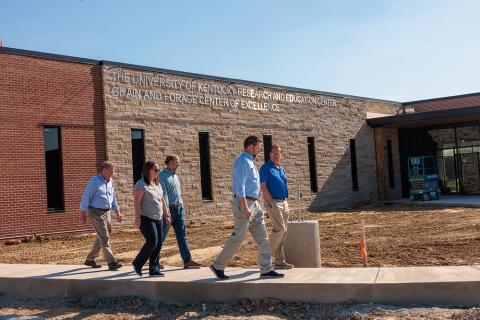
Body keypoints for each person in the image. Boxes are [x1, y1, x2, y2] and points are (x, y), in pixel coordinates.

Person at [210, 136, 284, 280]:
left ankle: (266, 269)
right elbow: (240, 186)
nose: (259, 150)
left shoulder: (250, 161)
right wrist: (245, 207)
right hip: (245, 204)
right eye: (258, 147)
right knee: (238, 236)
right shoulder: (243, 161)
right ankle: (218, 265)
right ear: (250, 147)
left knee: (263, 237)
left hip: (254, 204)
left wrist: (255, 205)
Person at [159, 155, 202, 269]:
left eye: (178, 162)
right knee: (161, 236)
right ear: (168, 163)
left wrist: (182, 206)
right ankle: (154, 260)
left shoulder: (175, 176)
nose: (178, 164)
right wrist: (166, 212)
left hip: (179, 209)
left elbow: (177, 193)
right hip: (169, 210)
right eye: (175, 162)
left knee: (182, 236)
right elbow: (163, 195)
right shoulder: (162, 176)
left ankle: (187, 260)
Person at [80, 161, 123, 271]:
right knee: (104, 236)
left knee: (103, 235)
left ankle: (90, 259)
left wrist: (117, 212)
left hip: (106, 212)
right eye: (112, 170)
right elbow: (86, 197)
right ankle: (112, 262)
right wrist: (83, 214)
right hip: (95, 211)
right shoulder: (94, 181)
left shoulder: (110, 181)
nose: (114, 172)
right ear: (105, 170)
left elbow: (112, 197)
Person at [132, 161, 171, 277]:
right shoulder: (141, 184)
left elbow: (162, 200)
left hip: (158, 218)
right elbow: (137, 202)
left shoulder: (157, 184)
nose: (157, 172)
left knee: (158, 243)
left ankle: (154, 270)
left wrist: (166, 215)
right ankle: (137, 263)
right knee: (152, 241)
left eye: (158, 170)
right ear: (147, 170)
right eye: (155, 169)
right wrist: (137, 217)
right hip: (146, 218)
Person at [260, 144, 294, 269]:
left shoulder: (281, 168)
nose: (275, 155)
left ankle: (279, 262)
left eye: (277, 153)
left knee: (283, 233)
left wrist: (285, 201)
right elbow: (263, 186)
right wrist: (271, 202)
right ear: (269, 155)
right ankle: (265, 258)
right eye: (273, 153)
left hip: (284, 202)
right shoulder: (265, 168)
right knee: (279, 229)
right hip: (273, 202)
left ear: (281, 155)